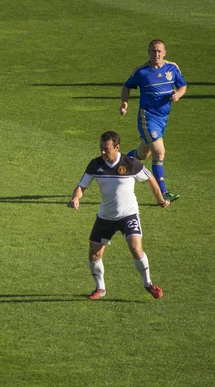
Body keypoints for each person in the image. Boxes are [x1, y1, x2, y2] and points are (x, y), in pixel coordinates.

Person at [68, 131, 170, 300]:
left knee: (136, 249)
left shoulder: (130, 164)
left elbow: (150, 179)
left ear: (117, 147)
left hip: (128, 215)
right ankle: (100, 288)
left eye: (106, 149)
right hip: (105, 217)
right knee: (94, 254)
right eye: (101, 148)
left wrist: (160, 200)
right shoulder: (95, 165)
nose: (102, 152)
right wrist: (75, 198)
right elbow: (82, 186)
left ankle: (148, 283)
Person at [120, 39, 187, 202]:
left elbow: (183, 85)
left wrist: (178, 94)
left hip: (162, 118)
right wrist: (124, 103)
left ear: (164, 53)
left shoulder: (172, 68)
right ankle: (162, 193)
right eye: (153, 51)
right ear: (148, 52)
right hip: (147, 117)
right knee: (159, 152)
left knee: (143, 154)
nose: (156, 54)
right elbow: (126, 86)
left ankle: (119, 166)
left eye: (159, 51)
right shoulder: (142, 72)